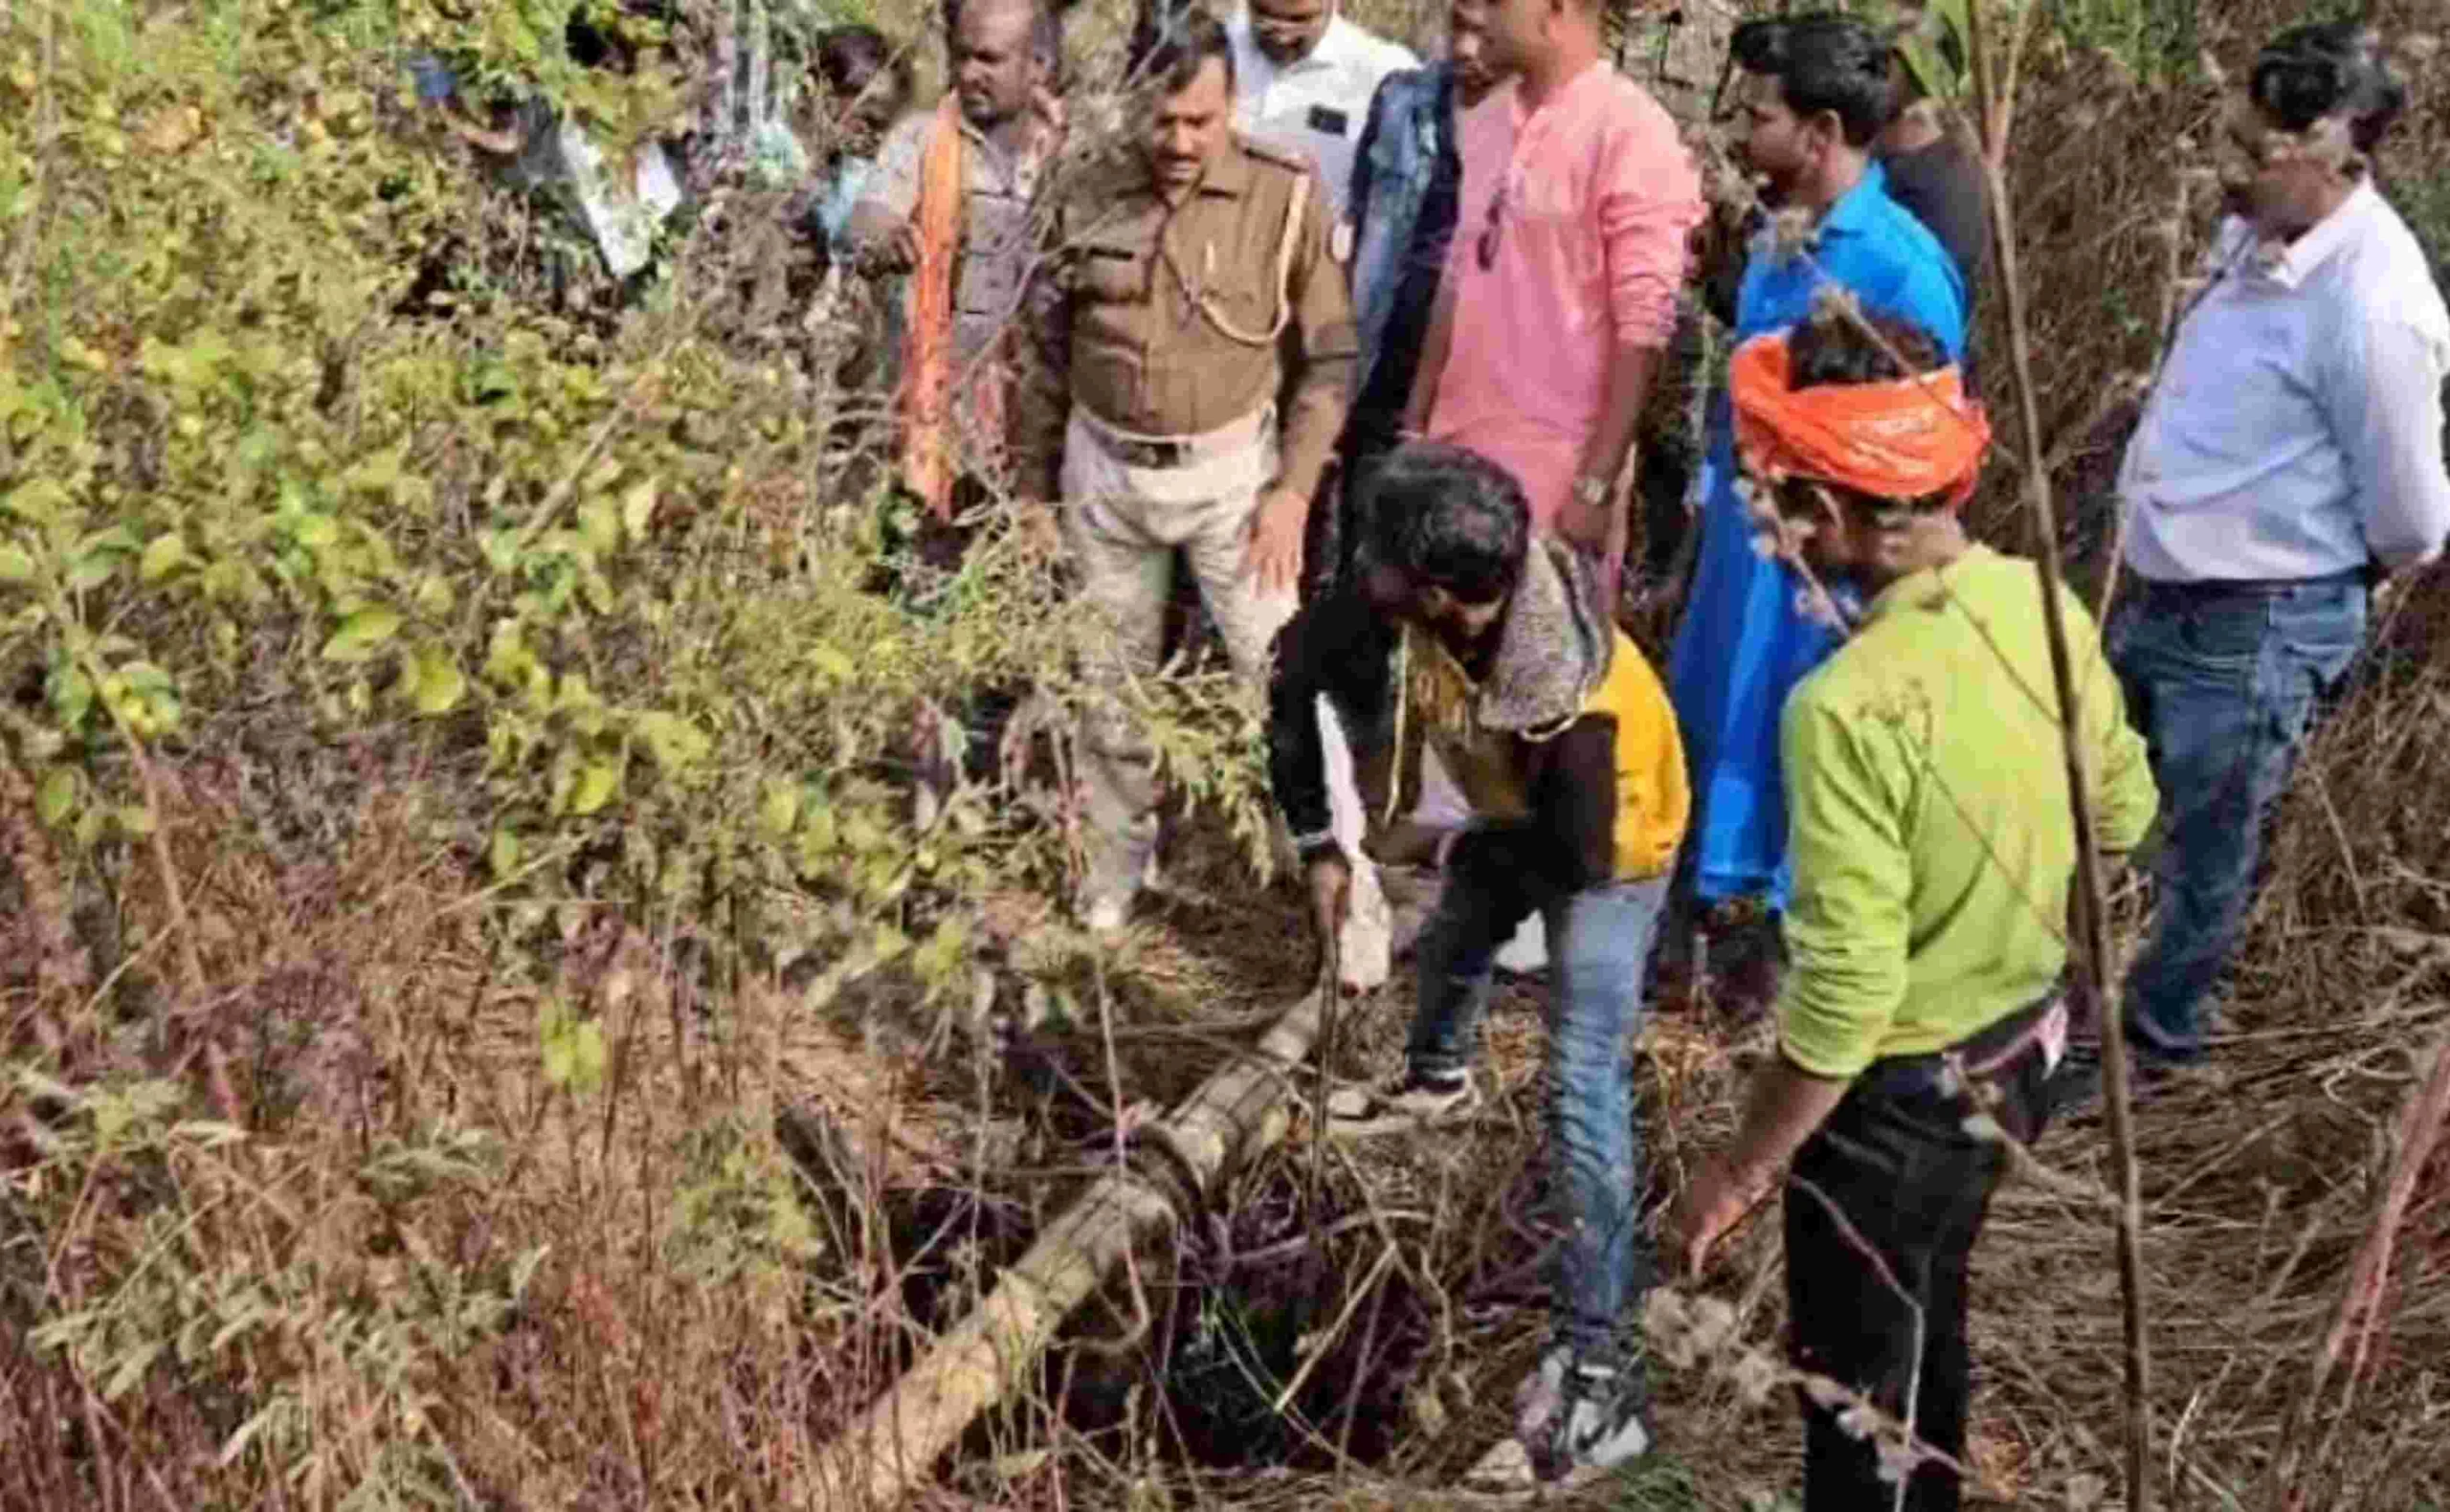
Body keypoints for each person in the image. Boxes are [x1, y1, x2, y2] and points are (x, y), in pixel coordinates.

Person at [1665, 307, 2157, 1512]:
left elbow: (1843, 1002)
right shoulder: (2039, 601)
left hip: (1894, 1111)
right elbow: (2124, 812)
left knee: (1852, 1403)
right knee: (1931, 1325)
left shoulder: (1845, 706)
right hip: (2019, 1055)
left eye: (1773, 500)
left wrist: (1732, 1175)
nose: (1768, 528)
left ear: (1830, 513)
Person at [1272, 443, 1688, 1480]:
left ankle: (1598, 1383)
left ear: (1447, 598)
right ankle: (1435, 1078)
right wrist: (1321, 841)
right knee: (1458, 929)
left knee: (1578, 1082)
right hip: (1515, 789)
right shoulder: (1411, 583)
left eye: (1379, 568)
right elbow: (1294, 681)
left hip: (1611, 841)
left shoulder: (1570, 697)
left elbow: (1573, 854)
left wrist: (1448, 835)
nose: (1360, 577)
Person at [2102, 23, 2449, 1080]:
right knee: (2097, 809)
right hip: (2155, 586)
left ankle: (2152, 1054)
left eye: (2258, 152)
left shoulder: (2374, 305)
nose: (2226, 164)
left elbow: (2412, 518)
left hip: (2256, 616)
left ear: (2344, 156)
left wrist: (2307, 587)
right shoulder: (2252, 233)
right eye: (2229, 135)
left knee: (2205, 851)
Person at [1015, 8, 1356, 935]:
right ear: (1132, 106)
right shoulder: (1082, 188)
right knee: (1108, 688)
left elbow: (1328, 362)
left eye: (1200, 123)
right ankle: (1114, 873)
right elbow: (1040, 349)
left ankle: (1325, 868)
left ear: (1231, 106)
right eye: (1161, 121)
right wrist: (1030, 491)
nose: (1178, 143)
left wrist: (1292, 491)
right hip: (1104, 477)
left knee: (1279, 677)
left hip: (1233, 481)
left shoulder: (1284, 196)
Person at [1661, 13, 1966, 1015]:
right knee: (1716, 726)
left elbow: (1919, 455)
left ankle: (1781, 975)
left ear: (1820, 127)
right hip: (1741, 555)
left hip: (1818, 582)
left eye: (1757, 116)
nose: (1741, 133)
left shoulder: (1897, 267)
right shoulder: (1775, 236)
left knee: (1794, 752)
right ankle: (1704, 942)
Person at [1402, 0, 1701, 596]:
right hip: (1453, 451)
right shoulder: (1487, 117)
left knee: (1538, 664)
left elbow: (1642, 330)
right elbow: (1457, 278)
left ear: (1556, 10)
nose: (1479, 18)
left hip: (1553, 477)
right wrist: (1414, 431)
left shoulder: (1633, 132)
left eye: (1497, 4)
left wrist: (1594, 485)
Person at [847, 0, 1061, 527]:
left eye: (989, 60)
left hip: (1028, 420)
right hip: (919, 409)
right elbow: (869, 218)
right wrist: (884, 239)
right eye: (961, 56)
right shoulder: (920, 138)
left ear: (1037, 67)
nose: (970, 74)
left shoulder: (1067, 155)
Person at [1224, 0, 1416, 218]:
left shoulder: (1383, 73)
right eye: (1265, 17)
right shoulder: (1216, 51)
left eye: (1300, 20)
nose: (1281, 35)